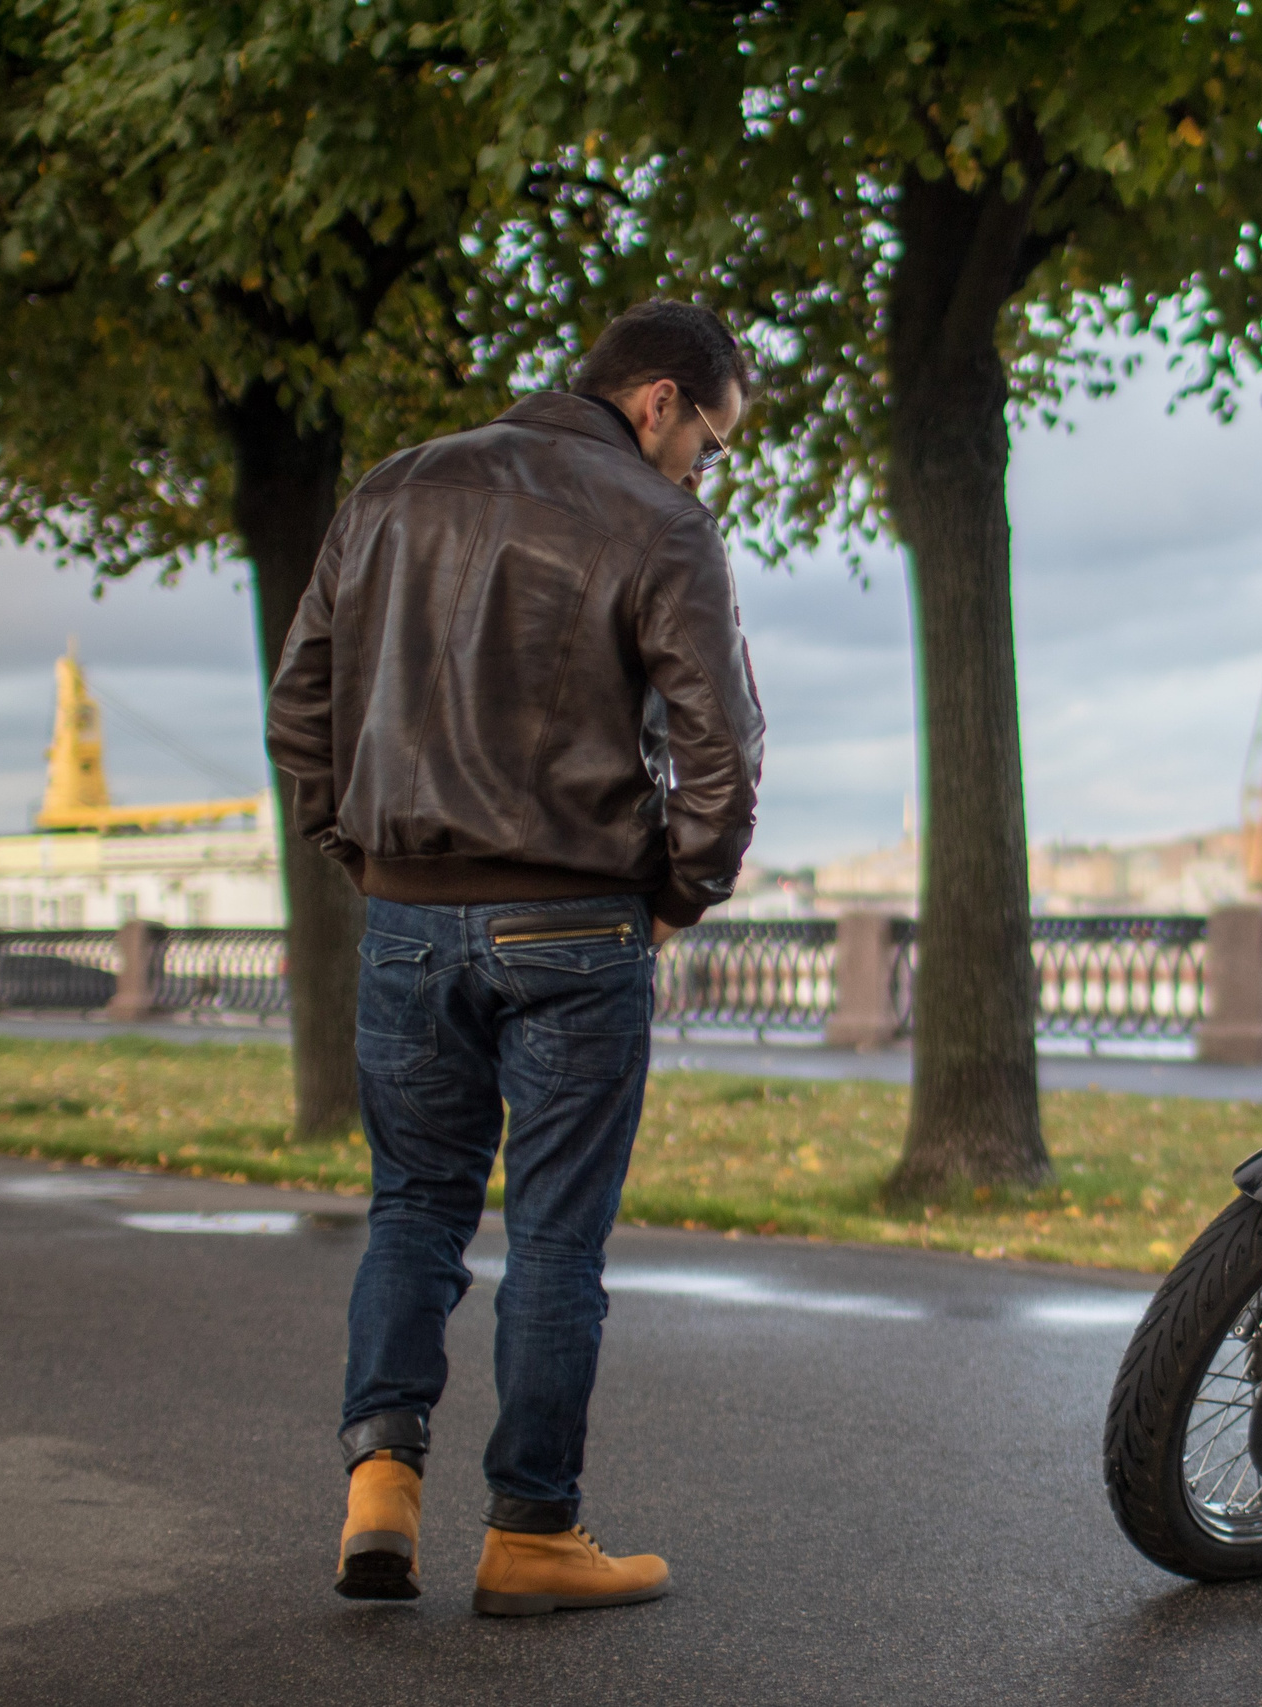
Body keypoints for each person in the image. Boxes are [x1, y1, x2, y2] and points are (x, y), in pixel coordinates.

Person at [266, 300, 765, 1615]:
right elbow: (720, 745)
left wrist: (363, 855)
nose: (704, 472)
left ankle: (382, 1481)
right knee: (553, 1240)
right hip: (575, 916)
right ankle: (532, 1535)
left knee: (416, 1209)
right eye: (711, 444)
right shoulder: (659, 523)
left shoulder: (392, 487)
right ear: (660, 402)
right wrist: (683, 893)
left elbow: (300, 702)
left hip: (406, 912)